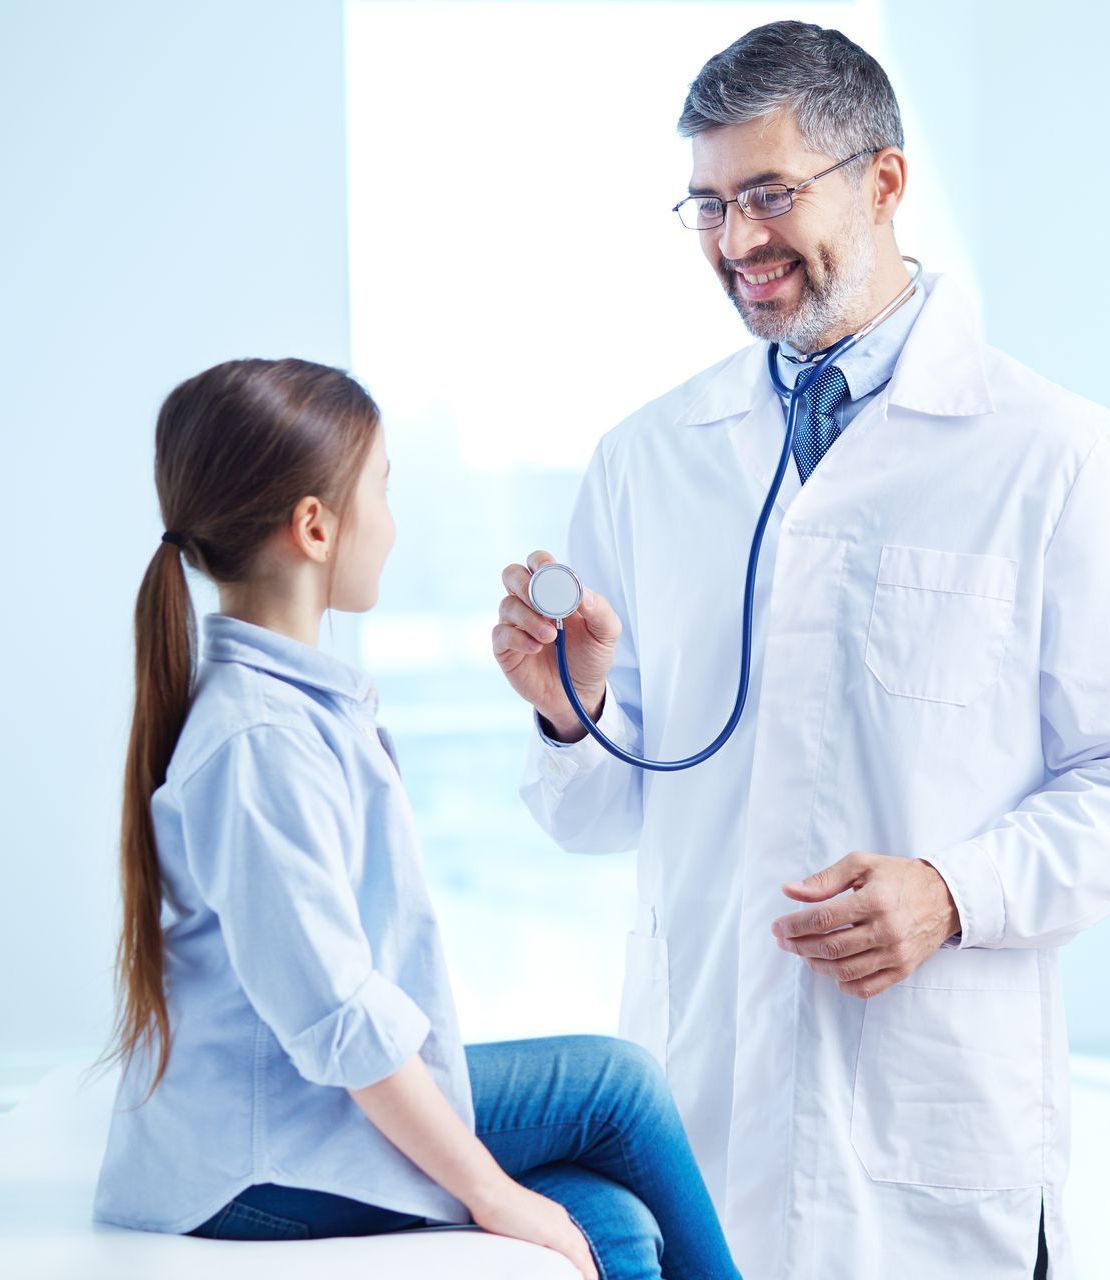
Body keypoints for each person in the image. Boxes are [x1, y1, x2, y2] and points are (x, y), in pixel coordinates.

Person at [493, 21, 1110, 1280]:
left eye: (769, 193)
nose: (734, 242)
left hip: (931, 1131)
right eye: (706, 204)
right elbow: (602, 816)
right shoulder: (648, 457)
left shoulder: (1048, 451)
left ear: (882, 181)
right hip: (696, 1119)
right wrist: (572, 707)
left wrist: (952, 890)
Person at [92, 357, 741, 1280]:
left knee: (612, 1224)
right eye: (383, 492)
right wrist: (494, 1193)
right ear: (315, 526)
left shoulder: (290, 711)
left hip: (285, 1122)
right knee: (620, 1088)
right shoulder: (260, 739)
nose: (394, 527)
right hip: (255, 1164)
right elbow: (341, 1021)